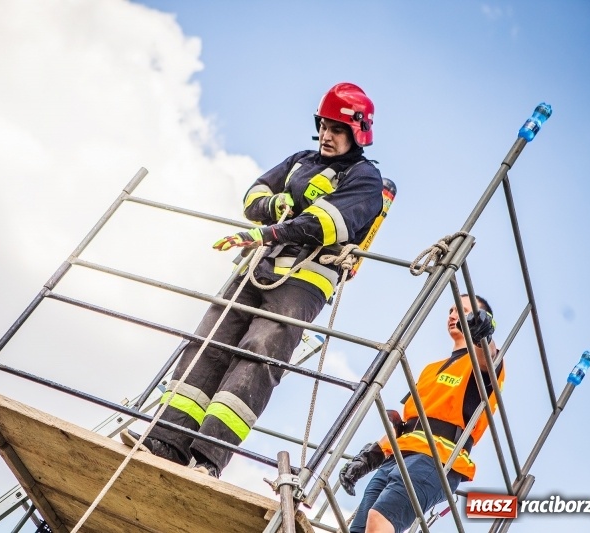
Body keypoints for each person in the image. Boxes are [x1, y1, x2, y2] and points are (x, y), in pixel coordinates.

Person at [121, 82, 385, 478]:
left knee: (259, 354)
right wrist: (275, 205)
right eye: (324, 126)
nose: (327, 135)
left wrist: (268, 231)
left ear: (357, 132)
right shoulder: (300, 160)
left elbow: (323, 225)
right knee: (207, 344)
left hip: (302, 281)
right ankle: (166, 440)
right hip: (256, 267)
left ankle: (207, 459)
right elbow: (253, 197)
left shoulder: (366, 180)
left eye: (338, 129)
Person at [339, 295, 503, 532]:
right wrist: (370, 457)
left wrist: (483, 335)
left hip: (438, 457)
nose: (453, 315)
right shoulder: (431, 369)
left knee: (381, 520)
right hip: (399, 454)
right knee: (360, 529)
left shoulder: (481, 362)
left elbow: (489, 361)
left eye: (464, 311)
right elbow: (406, 423)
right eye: (451, 310)